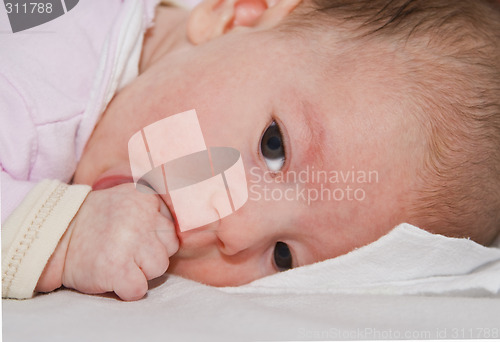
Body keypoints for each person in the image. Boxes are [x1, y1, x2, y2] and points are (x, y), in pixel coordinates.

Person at [2, 0, 499, 301]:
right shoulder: (38, 88)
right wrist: (59, 236)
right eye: (274, 146)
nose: (237, 232)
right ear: (240, 12)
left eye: (283, 257)